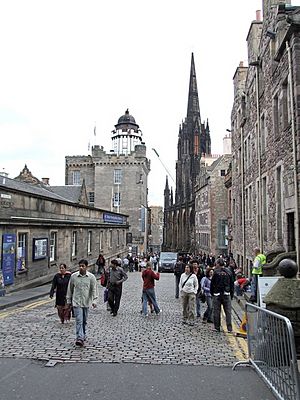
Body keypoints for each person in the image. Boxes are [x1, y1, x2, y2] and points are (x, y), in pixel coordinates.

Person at [66, 259, 98, 347]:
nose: (81, 268)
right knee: (79, 320)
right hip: (76, 302)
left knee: (84, 321)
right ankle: (79, 338)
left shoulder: (91, 277)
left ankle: (83, 334)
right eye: (80, 266)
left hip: (86, 302)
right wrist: (68, 301)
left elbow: (94, 290)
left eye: (83, 266)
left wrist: (94, 301)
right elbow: (70, 289)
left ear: (86, 267)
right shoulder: (73, 276)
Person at [210, 258, 234, 333]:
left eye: (216, 263)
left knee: (217, 311)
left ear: (218, 264)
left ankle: (217, 327)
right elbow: (231, 284)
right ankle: (229, 328)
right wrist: (231, 294)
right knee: (228, 312)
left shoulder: (216, 272)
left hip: (217, 294)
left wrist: (212, 293)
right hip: (227, 294)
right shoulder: (229, 272)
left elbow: (212, 284)